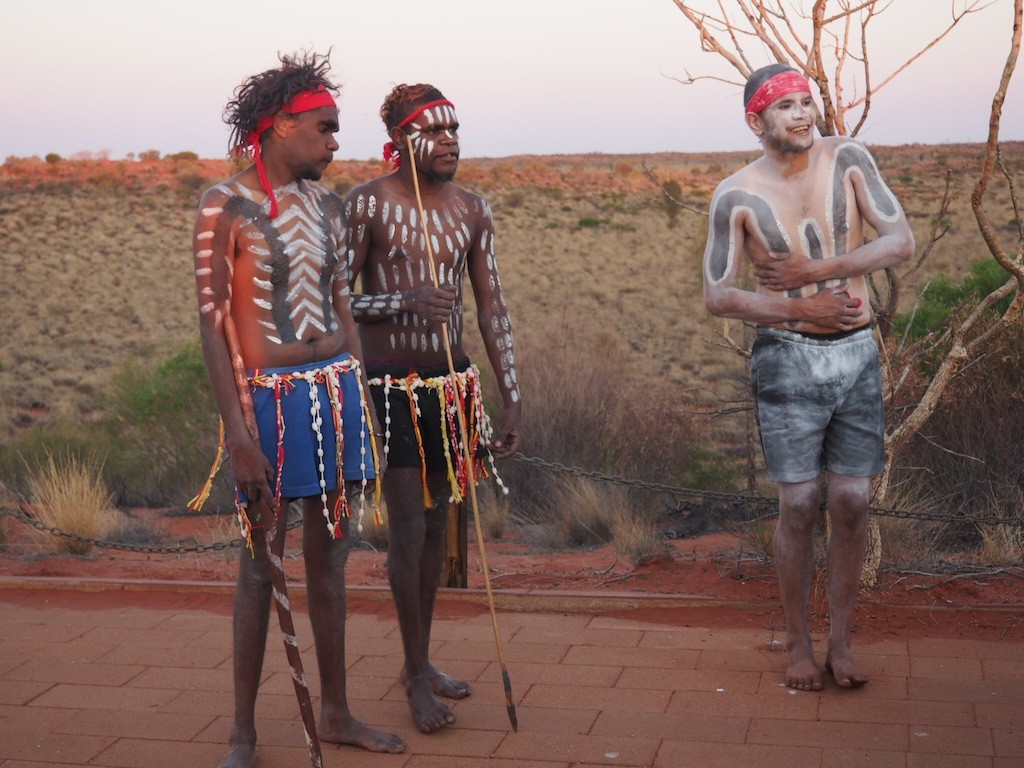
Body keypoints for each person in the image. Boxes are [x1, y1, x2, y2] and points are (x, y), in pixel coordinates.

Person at [191, 51, 405, 767]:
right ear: (280, 126)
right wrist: (240, 434)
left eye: (337, 129)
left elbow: (343, 302)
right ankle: (242, 731)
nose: (335, 142)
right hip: (269, 400)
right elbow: (213, 324)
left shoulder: (330, 206)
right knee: (261, 563)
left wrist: (360, 399)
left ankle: (337, 711)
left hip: (335, 390)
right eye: (324, 127)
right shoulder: (223, 206)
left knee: (332, 558)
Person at [701, 64, 914, 692]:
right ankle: (798, 646)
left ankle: (841, 644)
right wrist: (801, 306)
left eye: (806, 102)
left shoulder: (848, 158)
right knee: (797, 504)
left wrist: (821, 268)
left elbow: (899, 241)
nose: (802, 113)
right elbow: (718, 295)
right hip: (786, 356)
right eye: (786, 106)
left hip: (856, 355)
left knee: (851, 500)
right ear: (755, 121)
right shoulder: (735, 194)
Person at [344, 83, 522, 733]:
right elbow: (334, 303)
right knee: (409, 531)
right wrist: (402, 303)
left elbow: (491, 305)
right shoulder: (365, 205)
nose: (449, 141)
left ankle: (418, 663)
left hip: (452, 389)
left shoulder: (473, 210)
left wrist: (511, 394)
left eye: (455, 130)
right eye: (433, 131)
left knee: (439, 528)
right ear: (399, 141)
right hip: (388, 386)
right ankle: (416, 676)